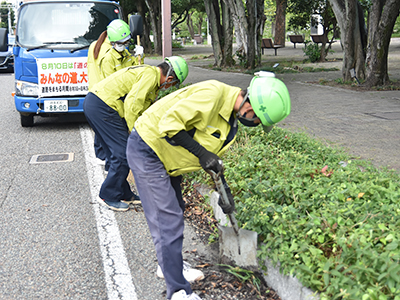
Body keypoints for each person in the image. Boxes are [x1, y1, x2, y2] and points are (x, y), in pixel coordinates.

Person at [126, 74, 291, 300]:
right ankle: (178, 291)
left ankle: (169, 266)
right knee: (167, 218)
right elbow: (169, 125)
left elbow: (212, 160)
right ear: (250, 105)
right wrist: (203, 154)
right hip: (148, 148)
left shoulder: (231, 121)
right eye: (258, 119)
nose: (255, 124)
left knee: (176, 209)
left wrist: (225, 192)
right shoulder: (212, 95)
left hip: (168, 158)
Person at [83, 56, 189, 212]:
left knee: (116, 153)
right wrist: (136, 135)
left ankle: (123, 193)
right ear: (170, 78)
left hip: (97, 104)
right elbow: (132, 106)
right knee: (124, 154)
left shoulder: (151, 79)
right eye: (173, 84)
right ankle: (108, 195)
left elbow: (143, 111)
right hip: (103, 107)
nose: (170, 86)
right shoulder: (151, 76)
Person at [87, 19, 144, 169]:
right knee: (112, 137)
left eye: (126, 42)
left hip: (102, 94)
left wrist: (140, 57)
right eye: (122, 42)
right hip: (106, 97)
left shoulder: (116, 50)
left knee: (105, 134)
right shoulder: (108, 55)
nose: (125, 45)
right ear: (113, 41)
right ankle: (109, 165)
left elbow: (134, 69)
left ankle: (108, 162)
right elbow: (120, 79)